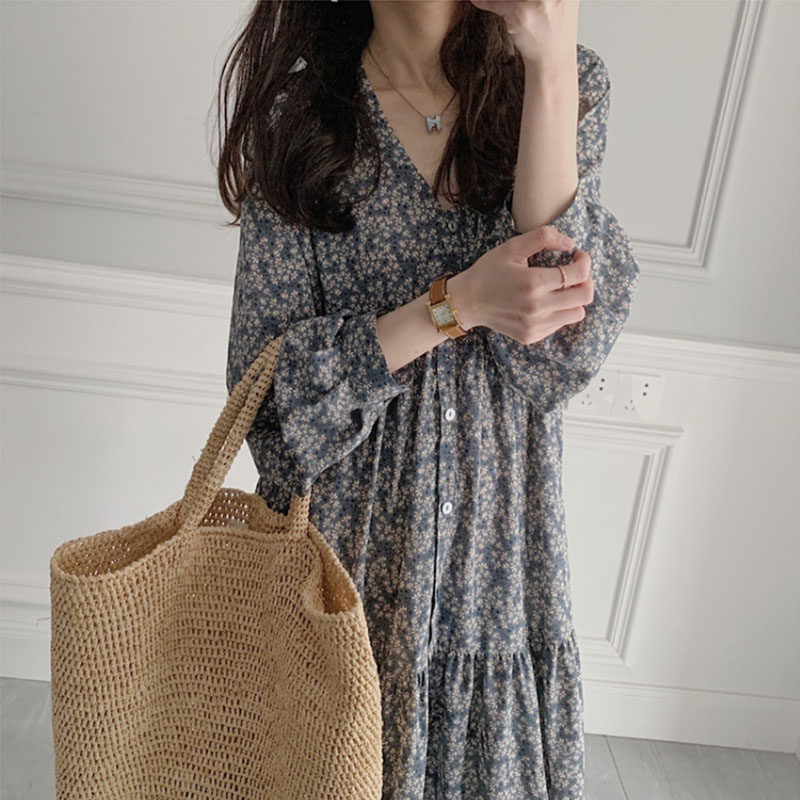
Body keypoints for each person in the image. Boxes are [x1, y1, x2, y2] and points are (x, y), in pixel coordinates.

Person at [219, 1, 639, 797]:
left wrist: (550, 64)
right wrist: (454, 305)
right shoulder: (300, 120)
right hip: (348, 584)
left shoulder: (561, 85)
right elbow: (271, 410)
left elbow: (561, 351)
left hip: (500, 578)